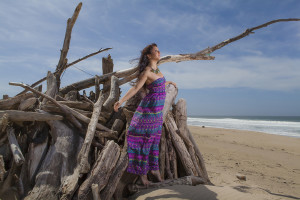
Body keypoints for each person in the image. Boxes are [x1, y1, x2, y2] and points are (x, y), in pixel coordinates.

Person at [114, 43, 176, 186]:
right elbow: (136, 88)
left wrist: (169, 82)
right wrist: (121, 100)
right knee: (144, 143)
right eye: (156, 51)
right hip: (147, 112)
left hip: (157, 114)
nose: (159, 53)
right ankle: (143, 177)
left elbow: (160, 83)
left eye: (159, 50)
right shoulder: (146, 72)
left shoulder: (158, 69)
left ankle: (154, 171)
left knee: (154, 142)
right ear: (149, 55)